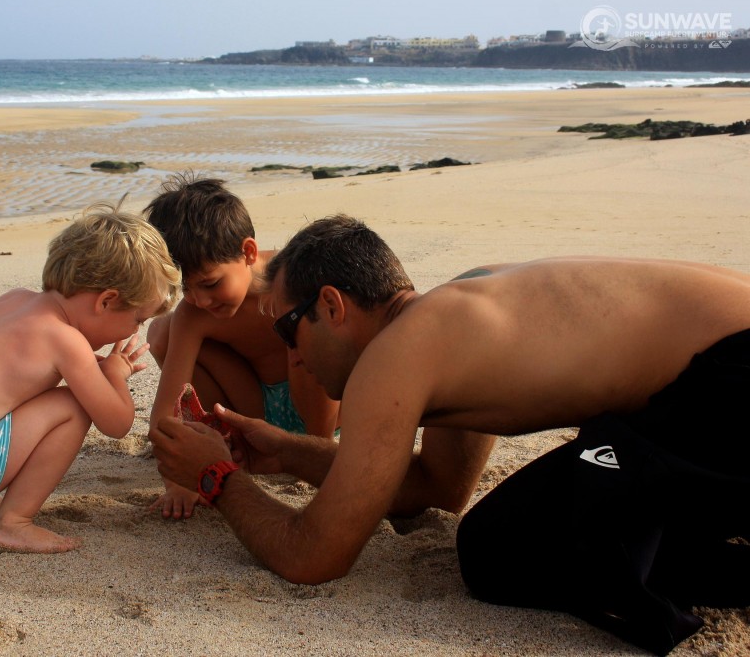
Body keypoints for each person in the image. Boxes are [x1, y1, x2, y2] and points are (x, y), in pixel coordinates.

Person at [149, 214, 750, 655]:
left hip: (732, 380)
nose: (292, 358)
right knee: (495, 537)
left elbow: (315, 557)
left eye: (288, 329)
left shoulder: (399, 355)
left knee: (502, 552)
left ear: (332, 306)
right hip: (707, 390)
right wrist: (288, 454)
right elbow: (437, 486)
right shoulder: (446, 317)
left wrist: (216, 476)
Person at [0, 204, 180, 554]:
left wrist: (97, 368)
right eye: (138, 319)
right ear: (106, 301)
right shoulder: (64, 340)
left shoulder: (15, 300)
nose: (136, 329)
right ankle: (12, 523)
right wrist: (114, 374)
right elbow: (117, 423)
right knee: (72, 405)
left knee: (22, 399)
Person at [142, 175, 339, 519]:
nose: (200, 300)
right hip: (255, 414)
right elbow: (164, 414)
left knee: (307, 331)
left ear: (248, 252)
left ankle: (316, 453)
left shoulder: (293, 280)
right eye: (186, 289)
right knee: (164, 330)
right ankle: (235, 441)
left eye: (210, 283)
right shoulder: (195, 312)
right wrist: (179, 480)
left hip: (325, 409)